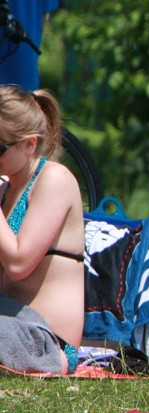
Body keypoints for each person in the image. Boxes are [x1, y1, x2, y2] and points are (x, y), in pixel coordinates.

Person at [0, 85, 85, 374]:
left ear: (30, 144)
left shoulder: (54, 179)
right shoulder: (7, 188)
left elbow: (18, 263)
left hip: (45, 340)